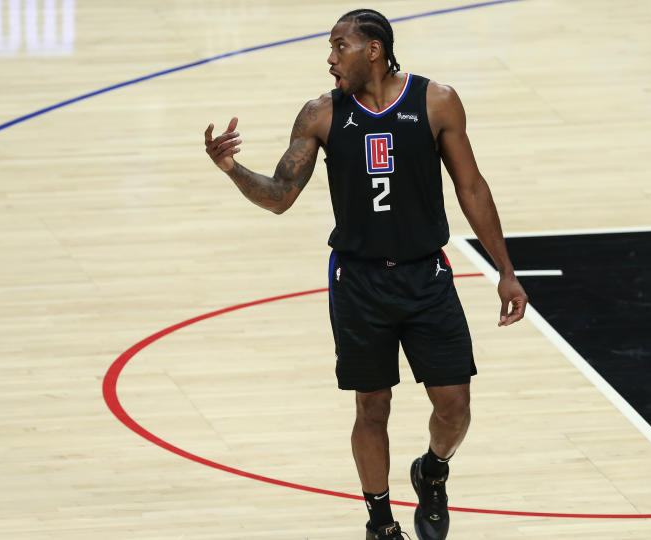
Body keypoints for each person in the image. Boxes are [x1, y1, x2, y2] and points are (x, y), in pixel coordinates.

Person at [204, 8, 528, 540]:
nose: (330, 59)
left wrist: (505, 272)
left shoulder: (436, 100)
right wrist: (232, 169)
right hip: (359, 282)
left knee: (455, 406)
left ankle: (432, 470)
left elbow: (472, 187)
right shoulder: (320, 115)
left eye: (339, 47)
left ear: (373, 49)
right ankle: (380, 522)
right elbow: (281, 197)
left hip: (426, 276)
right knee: (371, 405)